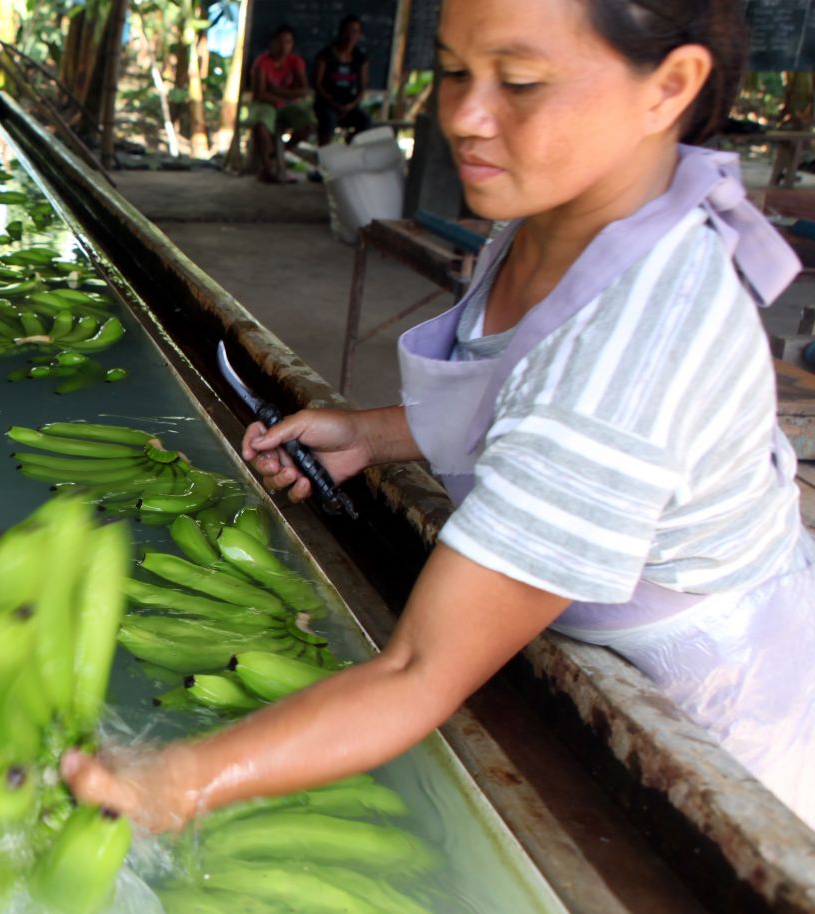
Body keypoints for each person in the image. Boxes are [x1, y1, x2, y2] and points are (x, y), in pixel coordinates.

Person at [64, 0, 815, 830]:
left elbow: (418, 670)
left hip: (703, 711)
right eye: (454, 69)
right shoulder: (559, 211)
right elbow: (518, 397)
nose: (462, 115)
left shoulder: (638, 345)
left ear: (668, 87)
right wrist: (372, 435)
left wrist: (177, 779)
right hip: (586, 612)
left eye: (521, 81)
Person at [246, 24, 315, 183]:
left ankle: (276, 155)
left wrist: (276, 92)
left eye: (288, 42)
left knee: (309, 124)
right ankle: (267, 169)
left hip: (287, 105)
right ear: (273, 43)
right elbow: (260, 94)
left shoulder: (295, 61)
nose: (284, 46)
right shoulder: (263, 62)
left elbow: (303, 90)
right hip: (266, 104)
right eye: (280, 41)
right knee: (261, 125)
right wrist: (286, 95)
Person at [314, 15, 373, 145]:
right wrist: (333, 102)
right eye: (348, 31)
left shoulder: (360, 59)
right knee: (328, 121)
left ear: (360, 35)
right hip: (327, 105)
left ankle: (349, 147)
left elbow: (362, 87)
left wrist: (351, 105)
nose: (350, 36)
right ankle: (323, 155)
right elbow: (317, 84)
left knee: (366, 121)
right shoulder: (326, 55)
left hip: (349, 105)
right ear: (341, 32)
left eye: (355, 32)